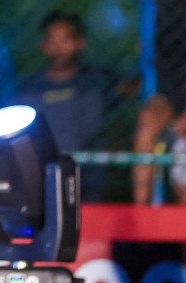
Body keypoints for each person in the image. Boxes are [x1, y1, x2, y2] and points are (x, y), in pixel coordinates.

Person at [15, 11, 116, 200]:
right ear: (42, 45)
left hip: (89, 182)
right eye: (52, 40)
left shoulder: (98, 81)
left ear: (81, 42)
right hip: (41, 180)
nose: (58, 47)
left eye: (65, 39)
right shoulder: (28, 88)